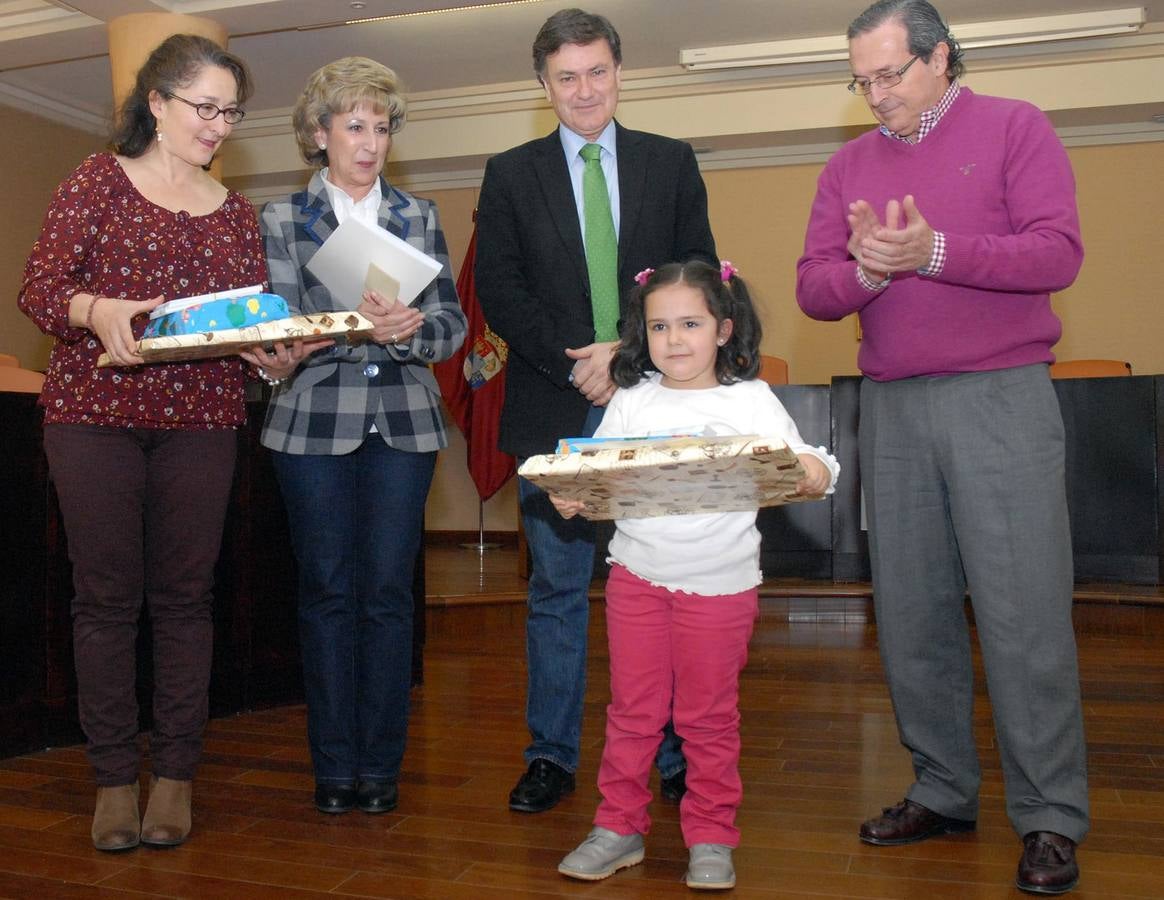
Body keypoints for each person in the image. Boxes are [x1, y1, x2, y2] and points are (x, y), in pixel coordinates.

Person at [796, 1, 1088, 894]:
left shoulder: (1015, 128)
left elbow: (1056, 254)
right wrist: (869, 271)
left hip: (1000, 396)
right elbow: (814, 289)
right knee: (913, 608)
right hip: (891, 406)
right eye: (862, 79)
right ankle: (943, 788)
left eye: (891, 74)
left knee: (1022, 612)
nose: (876, 94)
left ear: (942, 58)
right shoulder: (847, 164)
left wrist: (935, 251)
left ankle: (1048, 816)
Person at [17, 34, 264, 852]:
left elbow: (245, 324)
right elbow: (41, 288)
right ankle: (114, 780)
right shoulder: (97, 181)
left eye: (230, 111)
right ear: (155, 104)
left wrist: (271, 349)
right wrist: (98, 313)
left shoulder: (235, 213)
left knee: (187, 601)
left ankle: (176, 778)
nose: (218, 125)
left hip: (202, 419)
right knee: (106, 601)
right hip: (93, 415)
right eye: (205, 106)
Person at [475, 6, 718, 815]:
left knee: (669, 586)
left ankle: (678, 757)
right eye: (567, 76)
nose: (585, 89)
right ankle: (550, 756)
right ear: (543, 86)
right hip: (555, 408)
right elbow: (500, 290)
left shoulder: (670, 162)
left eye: (598, 71)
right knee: (556, 589)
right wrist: (579, 361)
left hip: (657, 404)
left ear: (620, 72)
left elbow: (695, 274)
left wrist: (626, 353)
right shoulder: (509, 173)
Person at [550, 260, 838, 890]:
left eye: (690, 323)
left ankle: (710, 834)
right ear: (640, 334)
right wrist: (573, 493)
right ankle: (618, 827)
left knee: (707, 717)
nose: (675, 339)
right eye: (659, 326)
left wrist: (815, 470)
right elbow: (596, 471)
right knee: (632, 712)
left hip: (721, 586)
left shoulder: (751, 399)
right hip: (637, 579)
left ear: (724, 330)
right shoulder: (631, 398)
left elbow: (809, 457)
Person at [244, 57, 466, 817]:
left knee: (387, 597)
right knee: (328, 594)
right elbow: (277, 327)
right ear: (319, 133)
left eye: (382, 127)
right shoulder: (279, 218)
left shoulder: (419, 215)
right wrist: (350, 329)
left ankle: (383, 769)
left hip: (406, 425)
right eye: (355, 126)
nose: (371, 143)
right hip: (310, 425)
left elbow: (450, 327)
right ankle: (334, 767)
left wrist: (407, 333)